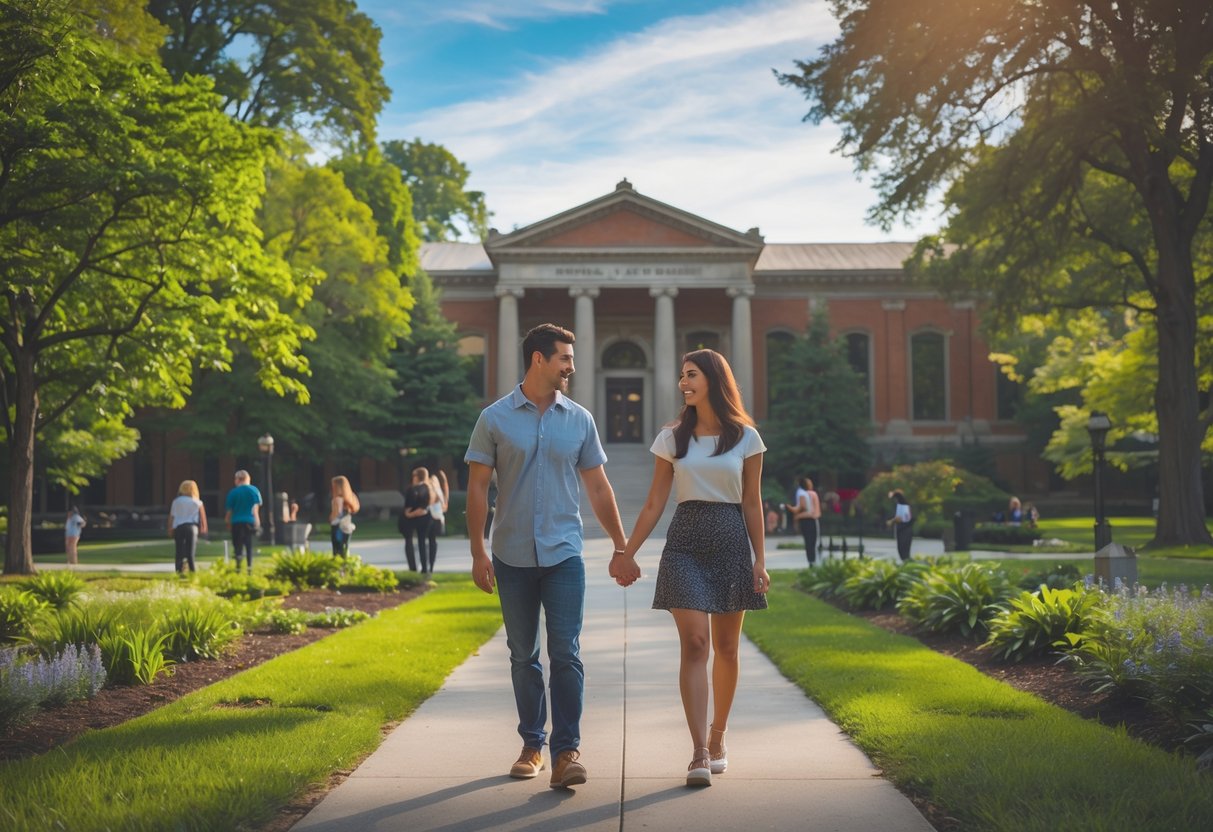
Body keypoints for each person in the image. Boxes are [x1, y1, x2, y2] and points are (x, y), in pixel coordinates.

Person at [464, 322, 628, 790]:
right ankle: (532, 744)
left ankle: (566, 752)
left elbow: (598, 486)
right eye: (565, 359)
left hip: (563, 555)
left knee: (566, 653)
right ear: (539, 359)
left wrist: (620, 546)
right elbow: (477, 488)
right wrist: (478, 552)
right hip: (511, 555)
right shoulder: (494, 418)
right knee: (523, 655)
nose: (572, 367)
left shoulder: (579, 419)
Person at [611, 348, 769, 788]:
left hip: (732, 541)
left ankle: (719, 736)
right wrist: (627, 551)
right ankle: (699, 749)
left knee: (728, 648)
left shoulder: (746, 439)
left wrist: (760, 559)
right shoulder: (671, 438)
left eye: (692, 374)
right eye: (682, 375)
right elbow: (654, 502)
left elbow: (752, 503)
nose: (683, 382)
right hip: (685, 543)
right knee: (696, 644)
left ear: (714, 379)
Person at [224, 470, 262, 572]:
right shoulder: (254, 490)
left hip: (236, 521)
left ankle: (238, 567)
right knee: (248, 545)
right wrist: (257, 522)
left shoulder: (233, 492)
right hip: (250, 521)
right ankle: (249, 567)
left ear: (238, 479)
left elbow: (229, 510)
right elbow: (255, 509)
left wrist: (227, 521)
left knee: (238, 546)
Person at [168, 480, 208, 574]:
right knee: (190, 553)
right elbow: (203, 518)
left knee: (179, 552)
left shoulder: (176, 501)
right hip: (192, 527)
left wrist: (170, 528)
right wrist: (204, 529)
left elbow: (171, 516)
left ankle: (178, 571)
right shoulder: (197, 502)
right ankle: (192, 572)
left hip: (179, 527)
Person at [399, 467, 432, 573]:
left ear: (417, 477)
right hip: (424, 517)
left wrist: (410, 514)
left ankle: (412, 567)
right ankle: (424, 568)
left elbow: (407, 507)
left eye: (414, 476)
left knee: (409, 541)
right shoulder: (428, 488)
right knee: (422, 542)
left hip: (412, 519)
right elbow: (424, 507)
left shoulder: (411, 489)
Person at [792, 476, 822, 566]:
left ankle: (810, 562)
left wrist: (797, 517)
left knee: (808, 542)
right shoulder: (812, 494)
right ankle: (813, 562)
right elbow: (815, 512)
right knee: (812, 542)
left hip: (804, 521)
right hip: (812, 520)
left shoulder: (801, 494)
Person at [425, 469, 449, 574]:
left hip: (435, 520)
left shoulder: (437, 492)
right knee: (430, 542)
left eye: (433, 481)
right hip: (430, 519)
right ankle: (429, 563)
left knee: (432, 542)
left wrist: (443, 480)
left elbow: (444, 505)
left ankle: (431, 564)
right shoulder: (430, 491)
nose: (432, 483)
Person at [329, 475, 360, 557]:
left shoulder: (338, 498)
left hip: (338, 527)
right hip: (347, 527)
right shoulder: (349, 497)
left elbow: (338, 513)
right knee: (345, 550)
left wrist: (331, 518)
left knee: (337, 552)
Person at [886, 489, 913, 561]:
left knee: (903, 549)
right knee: (902, 549)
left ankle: (907, 562)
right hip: (903, 530)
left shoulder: (903, 506)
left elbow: (900, 519)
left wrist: (891, 521)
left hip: (904, 531)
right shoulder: (903, 505)